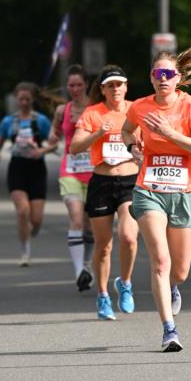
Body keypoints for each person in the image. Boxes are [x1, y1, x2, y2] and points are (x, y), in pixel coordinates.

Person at [121, 43, 191, 352]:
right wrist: (132, 147)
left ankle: (174, 287)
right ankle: (169, 330)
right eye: (157, 74)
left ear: (178, 78)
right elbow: (127, 130)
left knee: (179, 271)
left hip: (185, 192)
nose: (162, 79)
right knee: (160, 262)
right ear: (151, 77)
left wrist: (170, 133)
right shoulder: (140, 107)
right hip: (149, 190)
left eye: (168, 74)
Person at [69, 65, 139, 320]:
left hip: (130, 181)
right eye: (110, 85)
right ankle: (102, 295)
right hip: (102, 181)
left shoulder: (136, 110)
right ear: (103, 89)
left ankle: (125, 283)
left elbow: (150, 141)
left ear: (126, 87)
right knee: (104, 245)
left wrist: (141, 151)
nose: (115, 89)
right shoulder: (92, 113)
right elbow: (75, 147)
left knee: (128, 237)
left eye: (119, 84)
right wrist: (98, 133)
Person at [0, 82, 53, 265]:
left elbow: (53, 143)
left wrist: (41, 150)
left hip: (37, 169)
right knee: (22, 211)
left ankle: (31, 230)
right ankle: (25, 250)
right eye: (21, 99)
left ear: (33, 99)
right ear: (16, 99)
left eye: (27, 99)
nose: (24, 102)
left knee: (36, 220)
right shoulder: (9, 121)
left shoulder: (41, 121)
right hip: (17, 168)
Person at [49, 64, 95, 290]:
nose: (74, 89)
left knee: (90, 225)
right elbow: (55, 132)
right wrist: (51, 137)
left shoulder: (96, 108)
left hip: (94, 171)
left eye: (78, 85)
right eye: (71, 85)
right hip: (70, 170)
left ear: (86, 85)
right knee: (76, 217)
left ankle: (87, 265)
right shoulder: (62, 110)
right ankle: (79, 272)